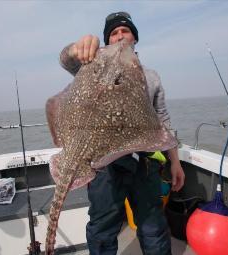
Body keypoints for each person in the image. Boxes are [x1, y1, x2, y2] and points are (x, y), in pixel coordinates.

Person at [58, 11, 185, 255]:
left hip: (144, 161)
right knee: (103, 229)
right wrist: (76, 49)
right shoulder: (94, 68)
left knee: (153, 227)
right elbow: (66, 60)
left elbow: (163, 121)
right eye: (114, 33)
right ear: (107, 41)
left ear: (134, 38)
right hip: (105, 165)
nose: (120, 36)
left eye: (125, 31)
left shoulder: (152, 76)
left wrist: (175, 163)